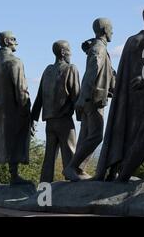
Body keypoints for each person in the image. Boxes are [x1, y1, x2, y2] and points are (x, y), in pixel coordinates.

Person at [94, 7, 144, 182]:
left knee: (128, 132)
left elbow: (124, 73)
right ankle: (135, 171)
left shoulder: (132, 41)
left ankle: (115, 169)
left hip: (130, 96)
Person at [63, 18, 115, 182]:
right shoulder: (99, 48)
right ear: (105, 30)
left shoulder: (99, 48)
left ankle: (77, 169)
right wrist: (84, 97)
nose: (113, 32)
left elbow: (108, 74)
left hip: (92, 98)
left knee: (86, 136)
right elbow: (92, 73)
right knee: (96, 136)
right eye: (111, 29)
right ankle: (72, 167)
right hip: (93, 99)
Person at [0, 31, 32, 185]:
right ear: (6, 41)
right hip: (12, 111)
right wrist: (26, 112)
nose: (16, 42)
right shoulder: (14, 62)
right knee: (15, 140)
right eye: (14, 39)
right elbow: (21, 89)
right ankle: (14, 175)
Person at [31, 40, 80, 183]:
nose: (71, 53)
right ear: (63, 52)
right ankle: (70, 193)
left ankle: (43, 194)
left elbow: (39, 97)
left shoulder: (47, 70)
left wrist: (33, 118)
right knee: (70, 156)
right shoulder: (71, 68)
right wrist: (83, 117)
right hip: (64, 120)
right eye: (69, 50)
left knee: (49, 158)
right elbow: (76, 95)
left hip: (49, 122)